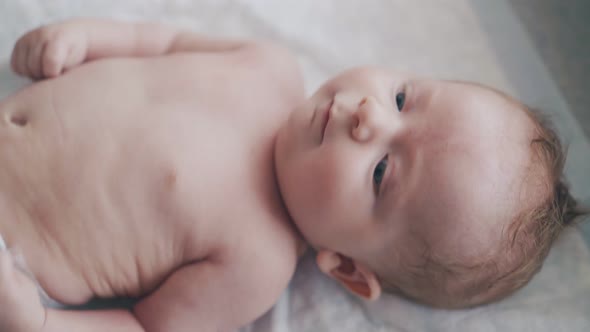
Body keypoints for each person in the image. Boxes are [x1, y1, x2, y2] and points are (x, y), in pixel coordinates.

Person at [0, 18, 585, 332]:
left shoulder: (254, 264)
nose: (369, 116)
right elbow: (161, 41)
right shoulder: (265, 64)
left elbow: (144, 327)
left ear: (348, 267)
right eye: (403, 97)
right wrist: (84, 38)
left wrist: (39, 322)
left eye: (382, 171)